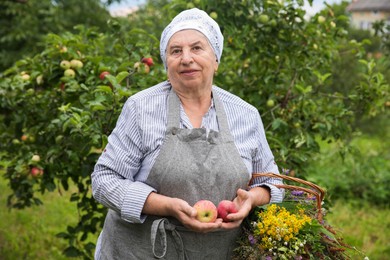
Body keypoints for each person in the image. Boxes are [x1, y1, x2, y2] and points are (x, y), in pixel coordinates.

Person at [91, 7, 284, 259]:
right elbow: (104, 180)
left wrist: (252, 199)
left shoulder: (245, 114)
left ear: (216, 59)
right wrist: (166, 206)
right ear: (166, 63)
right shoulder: (141, 108)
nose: (186, 58)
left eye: (196, 48)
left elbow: (272, 183)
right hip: (141, 252)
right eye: (175, 51)